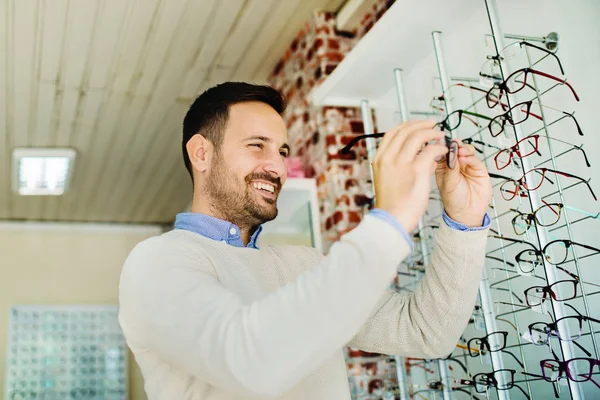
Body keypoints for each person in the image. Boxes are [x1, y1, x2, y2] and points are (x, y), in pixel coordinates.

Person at [118, 82, 492, 400]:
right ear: (202, 153)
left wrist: (465, 221)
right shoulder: (155, 263)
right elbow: (251, 361)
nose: (278, 167)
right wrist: (389, 221)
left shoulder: (305, 264)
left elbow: (426, 332)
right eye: (256, 145)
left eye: (282, 151)